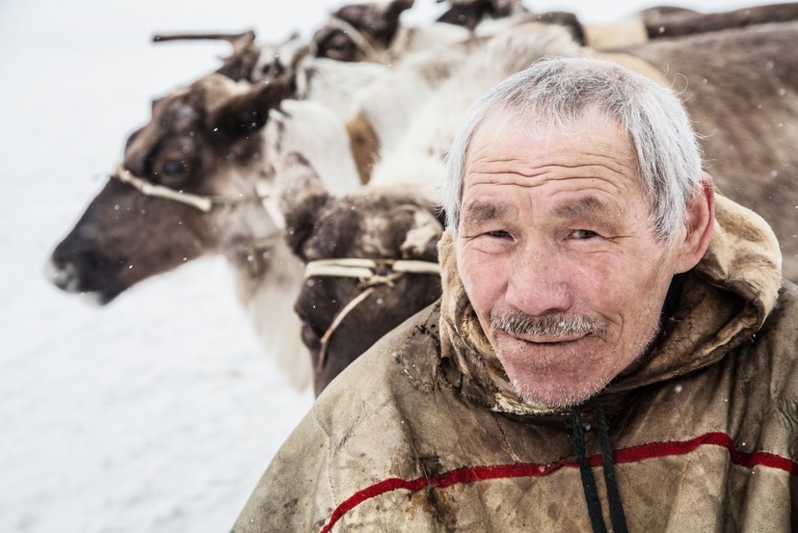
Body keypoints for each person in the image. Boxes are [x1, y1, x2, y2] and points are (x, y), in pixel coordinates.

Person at [231, 57, 796, 532]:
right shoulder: (358, 442)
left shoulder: (784, 387)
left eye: (583, 233)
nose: (531, 296)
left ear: (689, 226)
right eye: (496, 233)